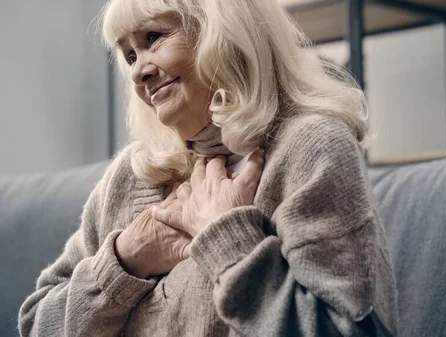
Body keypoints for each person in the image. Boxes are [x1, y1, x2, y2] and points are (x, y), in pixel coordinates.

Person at [18, 0, 399, 336]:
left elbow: (348, 330)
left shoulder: (311, 149)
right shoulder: (131, 175)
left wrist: (228, 238)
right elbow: (37, 325)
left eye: (153, 37)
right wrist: (125, 260)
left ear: (223, 28)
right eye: (130, 55)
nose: (138, 73)